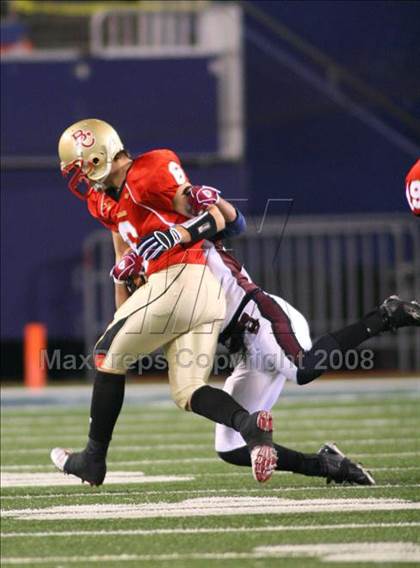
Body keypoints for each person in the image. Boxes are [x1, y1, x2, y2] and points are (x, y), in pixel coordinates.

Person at [107, 184, 420, 485]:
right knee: (230, 447)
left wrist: (209, 202)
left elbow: (232, 220)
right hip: (245, 348)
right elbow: (124, 317)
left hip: (261, 317)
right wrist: (122, 277)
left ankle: (385, 317)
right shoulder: (153, 276)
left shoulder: (181, 239)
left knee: (303, 368)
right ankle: (327, 464)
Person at [50, 118, 278, 486]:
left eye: (80, 168)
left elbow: (217, 217)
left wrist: (177, 234)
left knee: (107, 355)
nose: (80, 179)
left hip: (181, 278)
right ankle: (250, 427)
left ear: (97, 158)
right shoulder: (103, 200)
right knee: (188, 390)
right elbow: (121, 264)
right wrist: (121, 309)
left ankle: (93, 458)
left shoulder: (150, 172)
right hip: (198, 296)